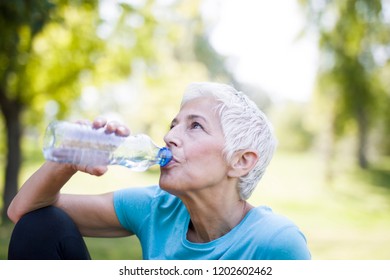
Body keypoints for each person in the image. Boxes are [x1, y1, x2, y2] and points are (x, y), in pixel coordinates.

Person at [7, 82, 311, 260]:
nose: (169, 137)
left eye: (195, 126)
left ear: (241, 161)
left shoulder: (276, 243)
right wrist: (66, 161)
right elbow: (25, 211)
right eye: (173, 125)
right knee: (42, 224)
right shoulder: (158, 208)